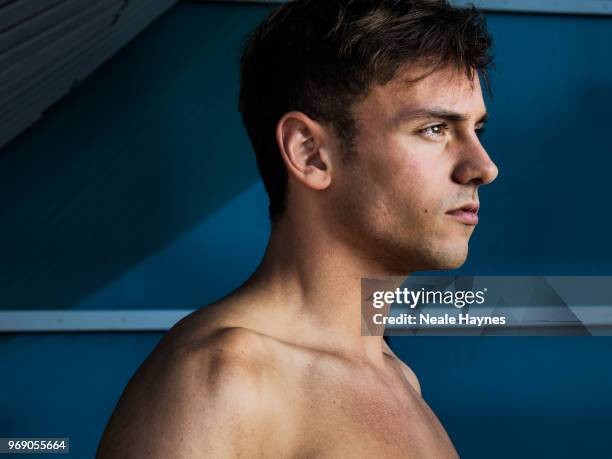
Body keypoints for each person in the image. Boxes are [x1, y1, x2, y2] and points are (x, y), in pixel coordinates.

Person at [97, 0, 498, 456]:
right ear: (310, 153)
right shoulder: (222, 379)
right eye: (434, 129)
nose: (482, 167)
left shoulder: (398, 376)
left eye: (477, 130)